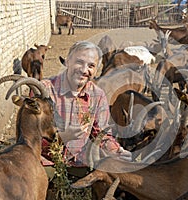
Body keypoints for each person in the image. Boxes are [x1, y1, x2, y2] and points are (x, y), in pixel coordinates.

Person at [40, 41, 132, 178]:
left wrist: (116, 150)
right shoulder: (44, 90)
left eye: (91, 66)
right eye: (79, 62)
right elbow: (28, 137)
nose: (84, 70)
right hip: (46, 162)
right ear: (68, 61)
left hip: (79, 164)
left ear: (95, 71)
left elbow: (101, 134)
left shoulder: (97, 95)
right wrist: (61, 138)